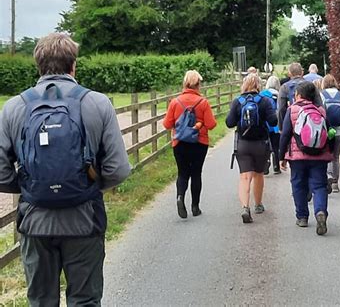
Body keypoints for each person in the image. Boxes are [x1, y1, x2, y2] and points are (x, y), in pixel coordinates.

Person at [0, 33, 131, 306]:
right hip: (85, 219)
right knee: (84, 301)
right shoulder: (97, 103)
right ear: (74, 65)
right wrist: (86, 185)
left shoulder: (13, 108)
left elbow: (0, 173)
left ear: (38, 65)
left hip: (35, 221)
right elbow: (118, 169)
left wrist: (31, 186)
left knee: (41, 301)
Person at [279, 80, 333, 234]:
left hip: (297, 157)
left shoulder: (292, 109)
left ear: (298, 95)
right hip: (319, 155)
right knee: (319, 186)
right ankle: (320, 211)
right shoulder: (321, 110)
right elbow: (329, 132)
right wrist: (330, 152)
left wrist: (281, 156)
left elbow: (285, 135)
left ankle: (302, 217)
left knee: (298, 184)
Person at [163, 70, 217, 218]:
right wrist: (201, 125)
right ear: (198, 84)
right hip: (199, 142)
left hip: (179, 143)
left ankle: (180, 196)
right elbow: (211, 124)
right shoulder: (203, 102)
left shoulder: (175, 102)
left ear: (185, 83)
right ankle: (195, 207)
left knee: (182, 173)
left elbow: (167, 124)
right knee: (196, 173)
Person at [225, 74, 277, 223]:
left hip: (243, 144)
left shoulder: (238, 101)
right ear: (259, 85)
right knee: (258, 174)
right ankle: (258, 204)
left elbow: (229, 123)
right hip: (261, 144)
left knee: (244, 176)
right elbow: (273, 121)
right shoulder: (264, 101)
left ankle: (245, 207)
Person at [278, 62, 322, 130]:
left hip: (292, 125)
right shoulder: (311, 85)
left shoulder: (284, 88)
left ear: (289, 74)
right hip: (310, 124)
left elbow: (281, 108)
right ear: (302, 73)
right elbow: (319, 105)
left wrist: (282, 127)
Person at [260, 75, 281, 175]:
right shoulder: (279, 94)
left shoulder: (262, 94)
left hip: (264, 124)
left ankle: (265, 166)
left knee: (265, 145)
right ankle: (276, 166)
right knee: (276, 146)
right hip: (275, 124)